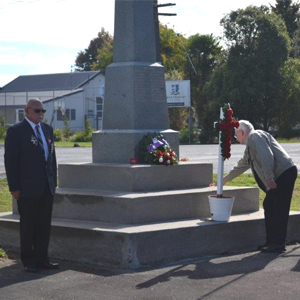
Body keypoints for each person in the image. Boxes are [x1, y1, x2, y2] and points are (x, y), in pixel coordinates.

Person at [223, 120, 297, 253]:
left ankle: (277, 243)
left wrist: (268, 176)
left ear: (243, 132)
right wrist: (225, 179)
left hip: (282, 174)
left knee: (277, 208)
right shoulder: (251, 146)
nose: (236, 138)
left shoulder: (255, 136)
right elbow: (243, 164)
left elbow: (266, 155)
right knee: (270, 206)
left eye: (236, 135)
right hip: (282, 175)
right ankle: (272, 242)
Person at [4, 98, 59, 272]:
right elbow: (11, 161)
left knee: (44, 224)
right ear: (27, 111)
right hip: (27, 188)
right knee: (28, 225)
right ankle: (29, 261)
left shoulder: (47, 130)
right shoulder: (16, 131)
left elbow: (52, 160)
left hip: (46, 188)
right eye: (37, 111)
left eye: (43, 111)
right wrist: (14, 187)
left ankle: (43, 259)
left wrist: (54, 183)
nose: (41, 114)